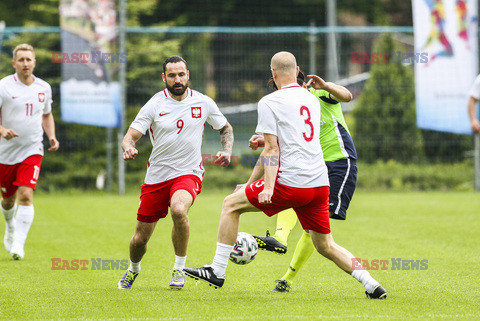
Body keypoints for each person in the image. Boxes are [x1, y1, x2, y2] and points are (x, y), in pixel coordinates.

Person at [184, 51, 386, 299]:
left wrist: (267, 187)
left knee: (229, 205)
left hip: (291, 183)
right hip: (319, 185)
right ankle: (372, 284)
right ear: (298, 70)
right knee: (325, 245)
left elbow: (272, 149)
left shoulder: (269, 102)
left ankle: (216, 270)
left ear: (273, 73)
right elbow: (287, 139)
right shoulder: (310, 98)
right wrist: (253, 179)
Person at [117, 56, 234, 290]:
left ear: (188, 74)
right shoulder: (154, 104)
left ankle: (179, 268)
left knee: (179, 210)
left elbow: (225, 128)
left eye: (181, 74)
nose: (177, 79)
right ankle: (133, 269)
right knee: (140, 240)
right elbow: (130, 136)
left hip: (188, 172)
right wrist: (129, 147)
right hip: (157, 176)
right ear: (164, 78)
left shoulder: (203, 102)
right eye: (172, 75)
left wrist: (227, 150)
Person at [250, 70, 357, 293]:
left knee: (315, 228)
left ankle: (287, 278)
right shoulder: (291, 107)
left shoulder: (317, 95)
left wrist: (325, 86)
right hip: (313, 167)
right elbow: (283, 141)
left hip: (339, 162)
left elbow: (347, 96)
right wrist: (262, 141)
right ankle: (280, 238)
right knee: (297, 201)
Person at [0, 43, 60, 260]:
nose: (25, 64)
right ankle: (10, 225)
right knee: (8, 200)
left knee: (25, 195)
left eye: (29, 59)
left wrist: (51, 136)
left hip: (32, 149)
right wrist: (3, 130)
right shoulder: (4, 86)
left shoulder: (43, 87)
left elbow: (46, 115)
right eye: (21, 60)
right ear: (14, 63)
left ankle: (18, 244)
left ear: (34, 62)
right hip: (5, 153)